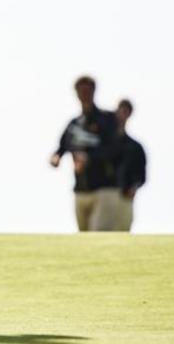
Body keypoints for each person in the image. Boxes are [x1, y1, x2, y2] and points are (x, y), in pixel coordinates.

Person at [48, 75, 120, 231]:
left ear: (94, 91)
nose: (84, 94)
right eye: (80, 90)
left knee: (98, 236)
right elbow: (62, 147)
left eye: (87, 90)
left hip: (104, 189)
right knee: (84, 238)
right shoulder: (74, 124)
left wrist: (89, 158)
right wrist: (56, 158)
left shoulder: (107, 119)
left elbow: (115, 149)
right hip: (80, 189)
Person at [111, 98, 146, 231]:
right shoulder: (105, 143)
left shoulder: (135, 147)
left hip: (124, 197)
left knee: (122, 233)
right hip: (104, 195)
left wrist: (134, 188)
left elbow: (141, 176)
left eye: (126, 111)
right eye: (120, 111)